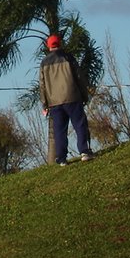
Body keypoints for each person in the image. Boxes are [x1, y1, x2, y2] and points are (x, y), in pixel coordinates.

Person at [39, 34, 93, 165]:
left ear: (48, 46)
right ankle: (84, 152)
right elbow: (79, 77)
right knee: (79, 124)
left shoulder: (44, 62)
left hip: (54, 102)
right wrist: (85, 95)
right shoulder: (68, 57)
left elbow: (42, 85)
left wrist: (44, 104)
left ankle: (61, 158)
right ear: (60, 43)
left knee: (59, 130)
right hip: (72, 96)